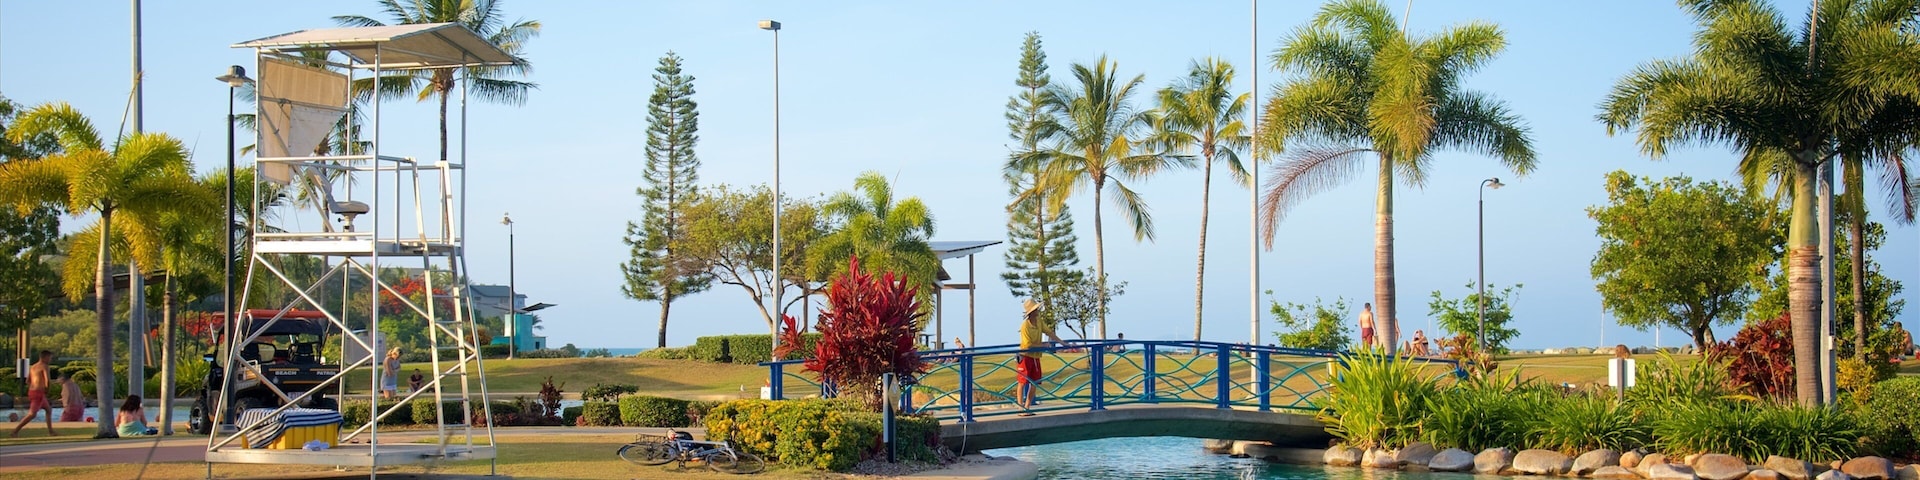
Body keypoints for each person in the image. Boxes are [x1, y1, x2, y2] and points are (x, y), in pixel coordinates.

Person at [1016, 299, 1062, 416]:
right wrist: (1043, 345)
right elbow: (1027, 345)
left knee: (1035, 382)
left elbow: (1049, 332)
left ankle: (1027, 406)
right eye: (1036, 309)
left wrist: (1062, 342)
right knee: (1022, 382)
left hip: (1036, 356)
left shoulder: (1039, 321)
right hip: (1025, 356)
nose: (1038, 311)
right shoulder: (1025, 326)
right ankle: (1020, 407)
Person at [10, 350, 57, 437]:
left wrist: (34, 387)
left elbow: (28, 381)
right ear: (45, 357)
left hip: (33, 391)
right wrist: (47, 390)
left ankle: (51, 432)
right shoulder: (45, 366)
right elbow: (47, 380)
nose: (50, 360)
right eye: (50, 358)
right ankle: (15, 431)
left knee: (48, 410)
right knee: (32, 414)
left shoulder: (33, 367)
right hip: (39, 393)